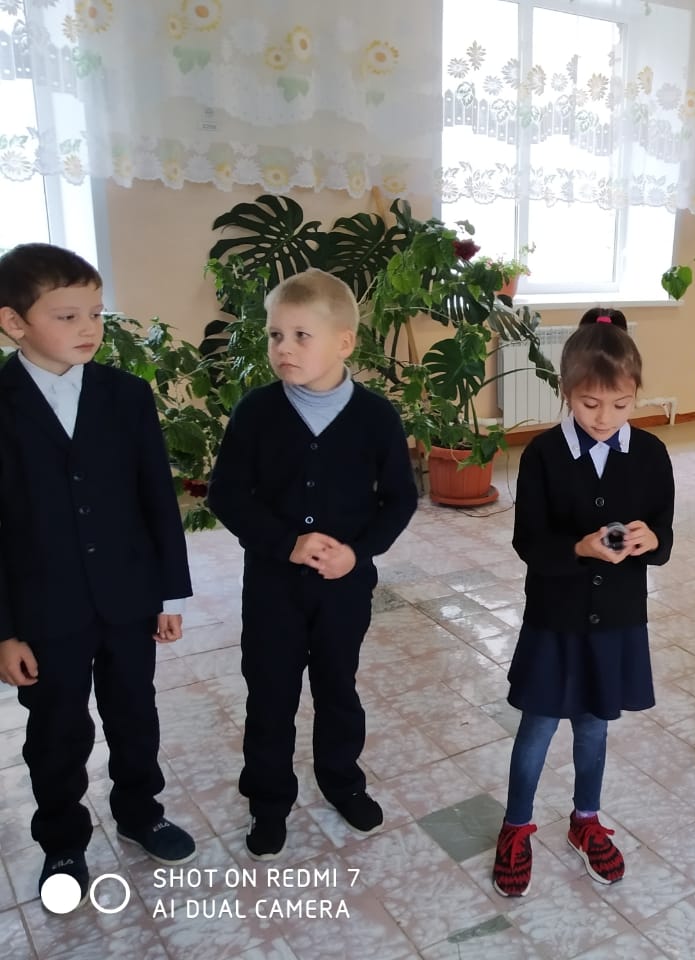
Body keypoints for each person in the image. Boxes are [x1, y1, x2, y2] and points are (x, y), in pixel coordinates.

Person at [0, 243, 196, 910]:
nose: (88, 328)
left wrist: (168, 593)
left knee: (134, 711)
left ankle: (142, 811)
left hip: (128, 596)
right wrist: (4, 632)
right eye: (67, 316)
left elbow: (156, 499)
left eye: (95, 313)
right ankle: (62, 840)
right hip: (44, 609)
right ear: (14, 322)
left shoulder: (125, 395)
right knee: (57, 730)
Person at [207, 268, 418, 860]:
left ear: (344, 342)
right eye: (276, 335)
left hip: (344, 588)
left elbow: (399, 498)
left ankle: (342, 781)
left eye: (302, 335)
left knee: (337, 687)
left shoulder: (376, 417)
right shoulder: (256, 412)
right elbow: (227, 495)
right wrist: (285, 544)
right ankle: (268, 799)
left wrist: (358, 552)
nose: (284, 348)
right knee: (270, 694)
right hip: (272, 586)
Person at [491, 308, 674, 897]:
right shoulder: (542, 455)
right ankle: (516, 825)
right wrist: (579, 548)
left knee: (594, 727)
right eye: (591, 403)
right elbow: (528, 543)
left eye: (620, 404)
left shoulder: (651, 454)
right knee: (538, 728)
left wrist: (648, 541)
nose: (604, 417)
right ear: (567, 392)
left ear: (635, 394)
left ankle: (585, 819)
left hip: (616, 621)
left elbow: (664, 538)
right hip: (556, 618)